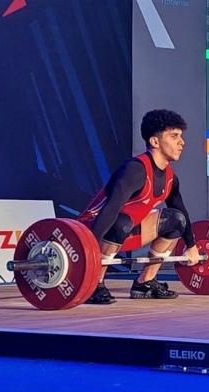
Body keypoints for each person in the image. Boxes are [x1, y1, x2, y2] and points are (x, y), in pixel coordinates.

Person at [77, 109, 200, 303]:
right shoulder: (135, 170)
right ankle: (93, 283)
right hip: (92, 229)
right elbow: (110, 210)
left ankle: (145, 283)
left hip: (128, 231)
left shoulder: (170, 178)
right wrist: (86, 250)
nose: (181, 142)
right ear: (155, 142)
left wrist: (191, 246)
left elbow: (181, 210)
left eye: (181, 136)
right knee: (122, 221)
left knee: (177, 219)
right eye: (174, 136)